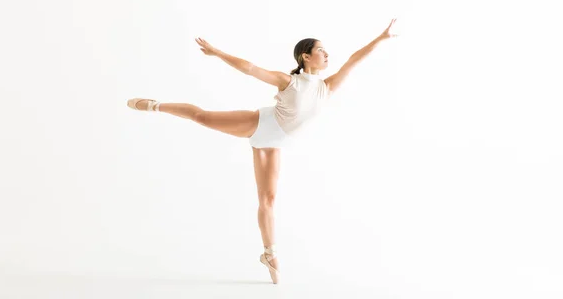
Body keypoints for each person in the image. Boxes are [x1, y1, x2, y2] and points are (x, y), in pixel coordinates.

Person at [127, 19, 398, 284]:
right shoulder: (290, 82)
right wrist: (217, 52)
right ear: (306, 57)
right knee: (202, 117)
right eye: (320, 50)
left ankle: (269, 254)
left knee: (267, 200)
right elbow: (250, 68)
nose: (327, 54)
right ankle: (155, 105)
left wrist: (381, 38)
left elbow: (355, 59)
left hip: (275, 142)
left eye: (326, 50)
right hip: (261, 123)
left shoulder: (327, 87)